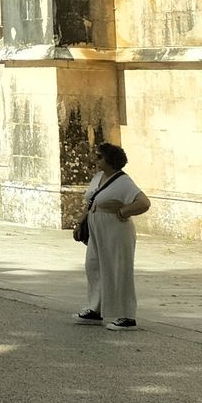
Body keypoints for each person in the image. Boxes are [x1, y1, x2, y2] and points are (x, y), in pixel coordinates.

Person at [73, 141, 150, 330]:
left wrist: (123, 212)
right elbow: (91, 202)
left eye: (99, 156)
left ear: (110, 160)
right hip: (97, 229)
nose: (95, 159)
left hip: (116, 230)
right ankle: (95, 308)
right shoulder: (98, 177)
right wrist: (80, 222)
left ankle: (127, 316)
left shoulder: (124, 182)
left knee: (119, 269)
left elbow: (143, 203)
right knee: (94, 266)